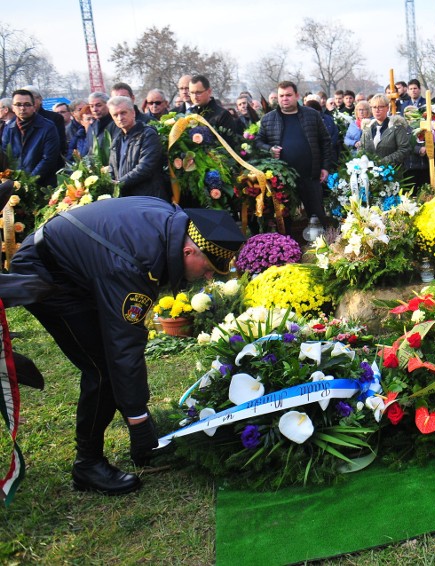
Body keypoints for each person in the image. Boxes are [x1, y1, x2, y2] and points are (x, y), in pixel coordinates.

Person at [0, 197, 245, 495]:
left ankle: (127, 442)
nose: (208, 277)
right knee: (101, 367)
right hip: (49, 275)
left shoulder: (173, 225)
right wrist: (138, 420)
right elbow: (124, 346)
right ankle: (87, 465)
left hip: (79, 265)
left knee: (108, 359)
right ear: (188, 249)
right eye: (208, 268)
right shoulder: (134, 265)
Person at [257, 80, 332, 225]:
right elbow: (258, 142)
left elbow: (325, 141)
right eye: (281, 95)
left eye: (288, 95)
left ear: (297, 95)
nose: (284, 98)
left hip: (311, 175)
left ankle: (322, 244)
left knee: (317, 217)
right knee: (285, 220)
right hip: (282, 180)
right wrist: (269, 150)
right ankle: (288, 245)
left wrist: (325, 167)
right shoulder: (268, 119)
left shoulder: (312, 115)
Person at [107, 96, 168, 199]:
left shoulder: (148, 134)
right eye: (115, 115)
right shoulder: (117, 139)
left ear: (133, 113)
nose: (120, 118)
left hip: (147, 198)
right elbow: (112, 168)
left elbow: (145, 168)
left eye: (123, 113)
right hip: (125, 198)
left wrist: (118, 183)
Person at [1, 89, 61, 187]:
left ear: (34, 107)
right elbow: (5, 155)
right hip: (16, 184)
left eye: (27, 104)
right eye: (18, 104)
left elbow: (48, 158)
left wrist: (29, 181)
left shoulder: (48, 127)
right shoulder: (9, 128)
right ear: (13, 107)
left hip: (43, 184)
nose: (22, 108)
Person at [188, 74, 244, 144]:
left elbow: (230, 144)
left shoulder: (223, 115)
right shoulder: (190, 113)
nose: (194, 97)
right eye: (192, 93)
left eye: (198, 93)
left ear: (209, 91)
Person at [360, 94, 411, 167]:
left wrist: (383, 162)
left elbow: (405, 149)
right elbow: (362, 149)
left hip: (392, 171)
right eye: (374, 107)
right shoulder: (367, 128)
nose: (377, 110)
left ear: (387, 108)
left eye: (380, 107)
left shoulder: (396, 127)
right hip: (370, 172)